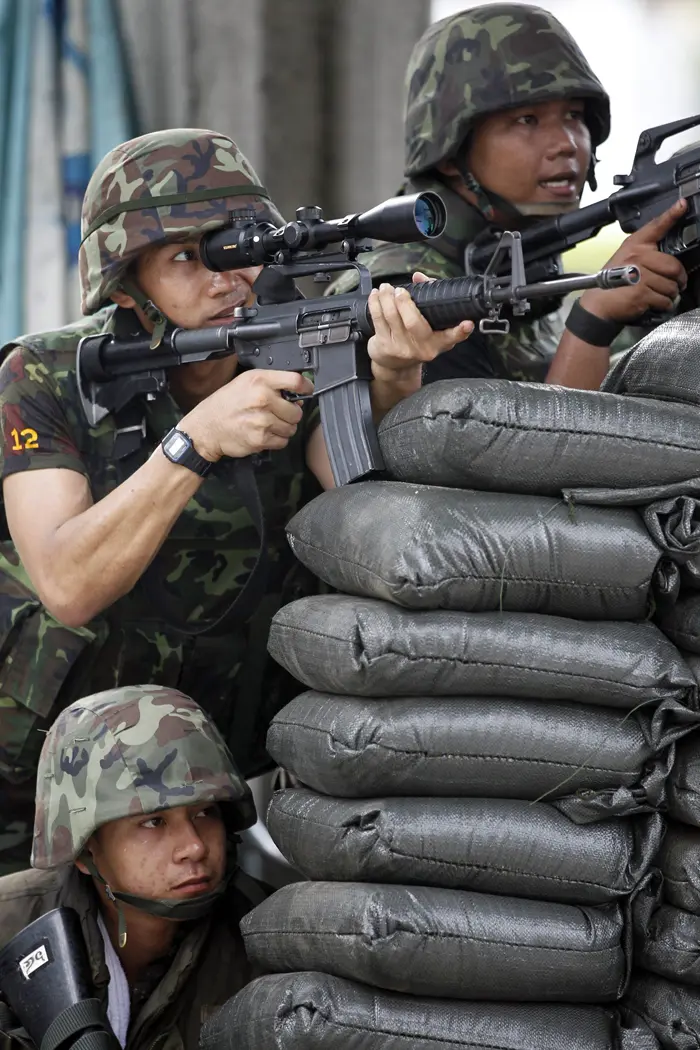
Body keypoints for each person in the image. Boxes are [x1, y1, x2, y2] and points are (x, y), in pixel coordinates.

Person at [0, 128, 472, 875]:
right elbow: (68, 583)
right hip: (34, 774)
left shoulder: (292, 339)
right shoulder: (47, 376)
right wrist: (193, 442)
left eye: (239, 245)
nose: (230, 275)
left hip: (203, 777)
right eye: (189, 257)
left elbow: (353, 491)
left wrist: (389, 376)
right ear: (126, 280)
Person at [327, 2, 687, 390]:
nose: (566, 144)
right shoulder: (407, 293)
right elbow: (522, 449)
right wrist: (592, 321)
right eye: (527, 120)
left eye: (574, 115)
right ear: (451, 152)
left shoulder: (520, 252)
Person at [0, 684, 264, 1050]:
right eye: (154, 822)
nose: (194, 846)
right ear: (85, 847)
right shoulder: (9, 925)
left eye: (205, 813)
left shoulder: (268, 939)